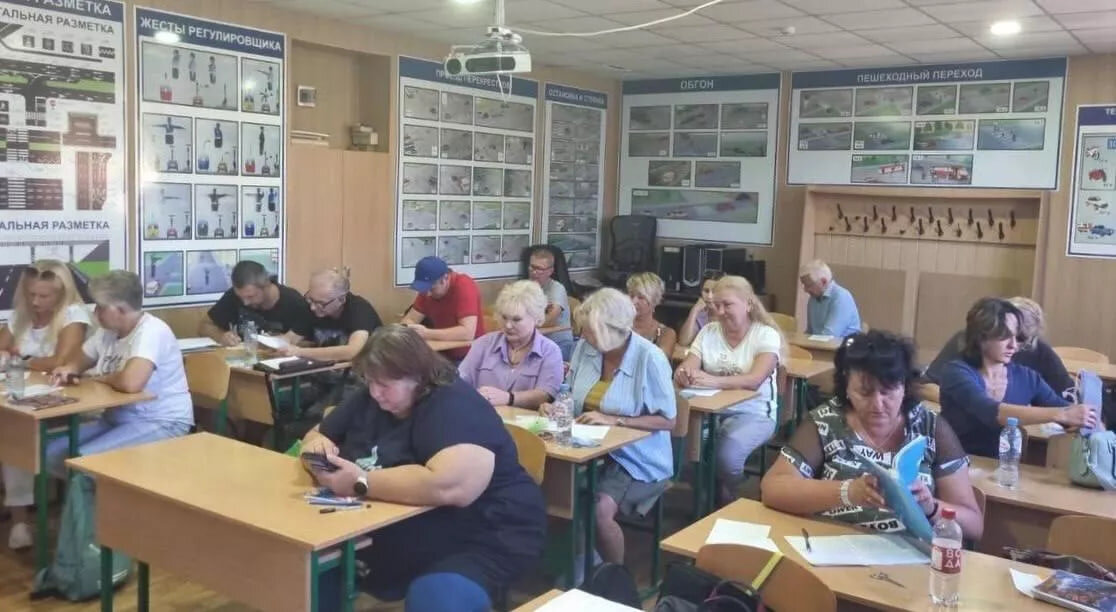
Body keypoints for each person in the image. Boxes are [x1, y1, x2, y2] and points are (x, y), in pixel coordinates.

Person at [299, 325, 546, 612]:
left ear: (417, 378)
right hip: (400, 525)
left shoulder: (454, 405)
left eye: (385, 385)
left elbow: (451, 487)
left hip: (485, 530)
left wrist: (360, 482)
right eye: (370, 381)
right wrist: (319, 450)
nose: (376, 393)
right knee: (309, 572)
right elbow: (316, 435)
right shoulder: (371, 397)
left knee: (436, 598)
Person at [761, 330, 984, 541]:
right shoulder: (827, 421)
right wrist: (847, 492)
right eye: (864, 393)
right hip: (835, 545)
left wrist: (931, 507)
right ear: (847, 388)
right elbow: (773, 488)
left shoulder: (930, 427)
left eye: (888, 392)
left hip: (911, 554)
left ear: (905, 388)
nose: (877, 405)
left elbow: (974, 525)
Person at [542, 288, 675, 566]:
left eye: (590, 331)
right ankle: (577, 563)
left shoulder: (650, 357)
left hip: (635, 456)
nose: (583, 336)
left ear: (613, 330)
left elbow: (668, 420)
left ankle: (614, 577)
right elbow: (570, 392)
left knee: (599, 510)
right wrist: (556, 405)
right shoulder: (585, 348)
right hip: (587, 448)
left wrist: (616, 420)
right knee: (549, 493)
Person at [46, 270, 193, 473]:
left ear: (121, 309)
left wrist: (102, 378)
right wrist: (68, 369)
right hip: (118, 419)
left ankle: (100, 491)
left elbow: (131, 383)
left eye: (101, 307)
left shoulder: (152, 331)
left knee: (85, 461)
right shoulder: (107, 332)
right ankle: (88, 491)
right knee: (51, 452)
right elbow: (78, 362)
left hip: (162, 421)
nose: (95, 312)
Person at [0, 261, 91, 549]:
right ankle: (19, 519)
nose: (35, 302)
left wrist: (20, 359)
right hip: (22, 399)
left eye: (43, 296)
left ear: (61, 295)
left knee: (16, 433)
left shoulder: (74, 315)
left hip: (66, 403)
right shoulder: (22, 314)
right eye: (31, 294)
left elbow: (60, 361)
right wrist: (16, 358)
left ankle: (21, 520)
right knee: (12, 428)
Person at [938, 298, 1098, 458]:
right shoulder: (956, 372)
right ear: (981, 337)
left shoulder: (1028, 378)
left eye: (1017, 337)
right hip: (953, 464)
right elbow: (992, 412)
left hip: (1002, 468)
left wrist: (1083, 418)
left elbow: (1068, 412)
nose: (1013, 345)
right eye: (1005, 336)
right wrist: (1062, 414)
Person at [674, 275, 783, 504]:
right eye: (716, 305)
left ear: (748, 304)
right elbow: (688, 366)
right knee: (679, 449)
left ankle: (729, 489)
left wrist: (712, 380)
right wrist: (684, 374)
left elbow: (754, 380)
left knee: (727, 457)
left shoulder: (765, 334)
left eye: (727, 305)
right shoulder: (708, 332)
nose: (720, 311)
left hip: (754, 412)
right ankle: (709, 489)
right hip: (708, 411)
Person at [924, 296, 1074, 399]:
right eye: (1004, 335)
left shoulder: (1037, 357)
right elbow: (925, 386)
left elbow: (1067, 397)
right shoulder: (963, 343)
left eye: (1021, 339)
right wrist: (959, 399)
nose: (1013, 345)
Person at [458, 281, 563, 410]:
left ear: (536, 318)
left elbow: (545, 395)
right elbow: (459, 382)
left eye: (516, 319)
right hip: (483, 416)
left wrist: (510, 398)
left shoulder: (550, 351)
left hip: (527, 420)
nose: (508, 325)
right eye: (504, 317)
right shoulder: (483, 344)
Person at [279, 267, 382, 362]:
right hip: (325, 368)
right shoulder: (311, 307)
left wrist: (299, 352)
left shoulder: (359, 309)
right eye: (311, 299)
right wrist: (277, 343)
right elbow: (290, 339)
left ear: (341, 299)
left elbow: (352, 351)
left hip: (364, 370)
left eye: (321, 303)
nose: (313, 307)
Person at [199, 260, 313, 346]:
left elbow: (310, 344)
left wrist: (285, 342)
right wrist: (221, 336)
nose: (245, 302)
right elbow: (204, 326)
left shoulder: (295, 303)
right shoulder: (234, 296)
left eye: (251, 296)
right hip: (243, 362)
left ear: (266, 285)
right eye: (240, 297)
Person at [402, 256, 485, 361]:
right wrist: (409, 328)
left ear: (444, 279)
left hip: (469, 356)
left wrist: (426, 333)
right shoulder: (428, 289)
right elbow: (410, 319)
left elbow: (467, 333)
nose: (427, 294)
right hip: (444, 353)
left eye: (431, 289)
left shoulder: (464, 286)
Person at [526, 247, 575, 361]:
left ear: (550, 271)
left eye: (539, 269)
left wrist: (524, 324)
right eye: (532, 267)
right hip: (534, 343)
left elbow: (550, 320)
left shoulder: (557, 289)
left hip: (559, 344)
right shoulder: (525, 287)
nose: (534, 272)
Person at [799, 259, 862, 338]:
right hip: (819, 344)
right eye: (804, 285)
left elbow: (829, 336)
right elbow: (810, 332)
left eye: (809, 285)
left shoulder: (841, 297)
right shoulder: (813, 299)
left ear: (824, 282)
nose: (805, 290)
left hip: (842, 345)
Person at [626, 272, 677, 359]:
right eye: (631, 296)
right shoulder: (619, 328)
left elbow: (658, 361)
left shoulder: (666, 333)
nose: (633, 301)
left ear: (654, 301)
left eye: (641, 297)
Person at [678, 271, 724, 348]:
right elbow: (683, 341)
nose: (709, 296)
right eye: (706, 291)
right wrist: (694, 311)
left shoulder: (730, 316)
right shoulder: (701, 316)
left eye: (714, 291)